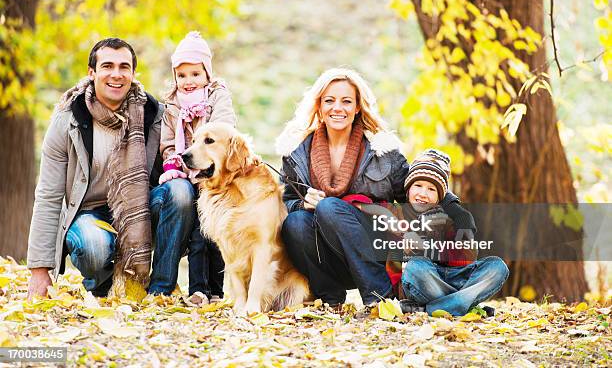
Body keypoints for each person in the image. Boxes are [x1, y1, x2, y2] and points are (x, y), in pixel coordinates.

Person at [277, 67, 464, 307]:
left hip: (375, 249)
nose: (337, 108)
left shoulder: (381, 151)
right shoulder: (297, 153)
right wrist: (301, 203)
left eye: (346, 101)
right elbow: (282, 201)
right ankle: (330, 298)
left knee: (330, 208)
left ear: (357, 107)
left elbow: (413, 190)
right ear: (319, 107)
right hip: (328, 256)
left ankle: (379, 296)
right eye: (329, 101)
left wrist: (453, 209)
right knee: (295, 222)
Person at [26, 38, 195, 298]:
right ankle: (102, 286)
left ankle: (160, 289)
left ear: (133, 74)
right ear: (92, 72)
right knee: (93, 244)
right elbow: (48, 195)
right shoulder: (68, 119)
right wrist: (40, 269)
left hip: (137, 210)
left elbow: (187, 156)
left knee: (181, 191)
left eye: (124, 67)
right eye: (107, 66)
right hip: (89, 214)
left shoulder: (154, 115)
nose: (116, 75)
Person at [159, 31, 236, 305]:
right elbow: (168, 141)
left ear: (207, 74)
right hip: (185, 172)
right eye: (182, 75)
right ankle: (199, 290)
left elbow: (224, 130)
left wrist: (206, 159)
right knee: (198, 235)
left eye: (195, 74)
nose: (188, 81)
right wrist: (173, 162)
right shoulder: (171, 105)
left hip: (213, 176)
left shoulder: (218, 98)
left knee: (216, 233)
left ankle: (218, 291)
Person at [399, 151, 509, 316]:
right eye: (418, 186)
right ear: (407, 189)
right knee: (415, 267)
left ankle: (431, 310)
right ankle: (464, 306)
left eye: (431, 189)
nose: (423, 193)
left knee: (497, 267)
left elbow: (468, 255)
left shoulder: (452, 218)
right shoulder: (398, 216)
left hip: (458, 277)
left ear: (440, 197)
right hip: (428, 279)